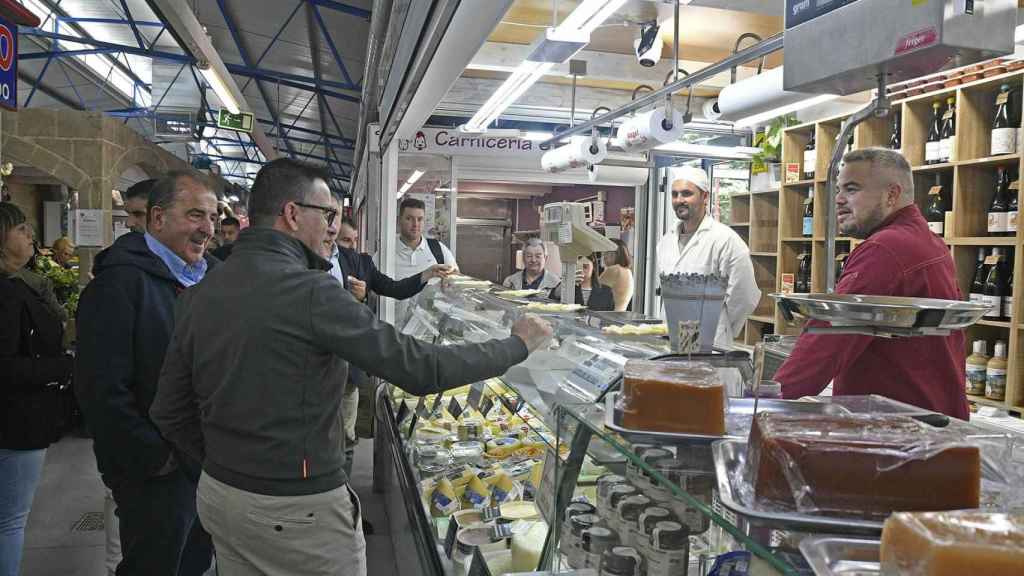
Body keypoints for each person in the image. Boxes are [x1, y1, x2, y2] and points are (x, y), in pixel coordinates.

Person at [151, 158, 552, 576]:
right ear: (292, 214)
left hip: (220, 496)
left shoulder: (200, 290)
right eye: (327, 215)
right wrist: (516, 345)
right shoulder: (311, 292)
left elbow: (169, 411)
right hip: (296, 509)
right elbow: (420, 368)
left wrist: (225, 465)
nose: (331, 228)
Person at [75, 170, 218, 576]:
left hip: (204, 467)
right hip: (155, 475)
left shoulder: (208, 280)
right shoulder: (118, 285)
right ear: (157, 219)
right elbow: (101, 390)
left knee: (193, 563)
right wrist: (157, 460)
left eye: (211, 216)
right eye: (194, 215)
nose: (207, 228)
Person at [774, 148, 968, 418]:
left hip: (897, 428)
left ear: (892, 195)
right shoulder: (929, 241)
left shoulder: (885, 248)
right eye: (839, 190)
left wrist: (768, 399)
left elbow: (829, 337)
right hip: (929, 419)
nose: (839, 200)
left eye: (851, 189)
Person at [0, 203, 74, 576]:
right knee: (10, 520)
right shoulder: (9, 294)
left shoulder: (19, 286)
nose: (31, 236)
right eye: (21, 229)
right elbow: (7, 365)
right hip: (16, 421)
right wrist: (64, 365)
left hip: (18, 418)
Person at [656, 166, 759, 347]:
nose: (679, 200)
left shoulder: (725, 241)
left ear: (705, 196)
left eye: (687, 193)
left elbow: (744, 296)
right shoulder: (665, 243)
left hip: (710, 342)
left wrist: (722, 326)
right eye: (674, 194)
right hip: (671, 339)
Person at [388, 196, 457, 325]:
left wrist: (449, 281)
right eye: (409, 219)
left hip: (428, 331)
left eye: (420, 219)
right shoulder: (386, 253)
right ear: (399, 221)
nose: (415, 224)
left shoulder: (437, 249)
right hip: (393, 332)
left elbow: (455, 275)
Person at [548, 254, 614, 311]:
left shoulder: (607, 291)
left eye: (585, 267)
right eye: (578, 267)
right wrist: (566, 283)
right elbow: (551, 302)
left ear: (593, 267)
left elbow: (610, 316)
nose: (581, 271)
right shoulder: (566, 286)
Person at [600, 238, 634, 311]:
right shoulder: (627, 271)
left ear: (617, 254)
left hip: (610, 316)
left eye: (608, 252)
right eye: (604, 252)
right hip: (619, 316)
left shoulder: (614, 269)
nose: (604, 256)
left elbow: (595, 294)